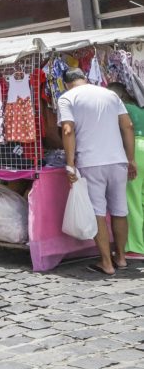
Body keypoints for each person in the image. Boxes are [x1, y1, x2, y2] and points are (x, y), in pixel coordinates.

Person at [59, 69, 136, 276]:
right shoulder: (110, 94)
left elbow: (68, 130)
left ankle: (106, 263)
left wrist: (69, 164)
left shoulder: (67, 98)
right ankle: (120, 258)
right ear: (85, 77)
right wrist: (130, 159)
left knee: (98, 213)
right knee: (120, 210)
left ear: (66, 83)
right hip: (118, 160)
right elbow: (127, 126)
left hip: (91, 162)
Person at [109, 82, 144, 258]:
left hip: (137, 149)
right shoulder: (139, 107)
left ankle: (135, 248)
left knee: (132, 200)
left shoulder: (121, 108)